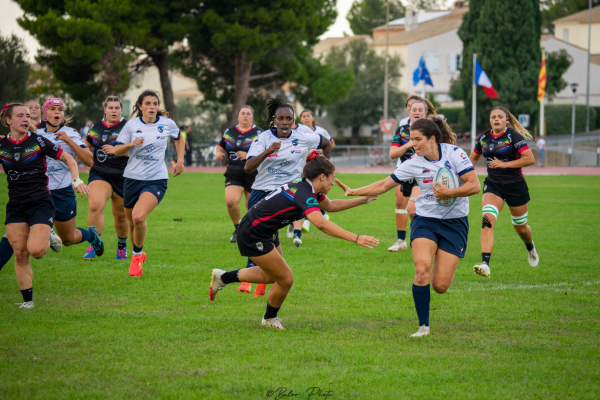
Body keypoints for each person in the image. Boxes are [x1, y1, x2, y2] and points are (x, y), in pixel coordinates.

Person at [336, 116, 480, 337]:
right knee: (422, 269)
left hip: (455, 223)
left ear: (432, 138)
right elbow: (385, 184)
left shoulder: (454, 154)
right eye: (412, 139)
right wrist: (354, 191)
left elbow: (474, 185)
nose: (414, 144)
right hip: (426, 220)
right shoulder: (412, 162)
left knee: (440, 286)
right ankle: (424, 326)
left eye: (418, 139)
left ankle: (445, 265)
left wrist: (449, 193)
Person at [209, 156, 379, 330]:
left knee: (271, 276)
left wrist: (362, 199)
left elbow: (331, 205)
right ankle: (269, 318)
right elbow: (321, 223)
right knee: (285, 279)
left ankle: (223, 277)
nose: (333, 182)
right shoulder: (303, 192)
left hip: (264, 229)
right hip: (253, 232)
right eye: (332, 177)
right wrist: (357, 238)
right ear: (322, 176)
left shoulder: (307, 186)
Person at [237, 97, 332, 297]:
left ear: (293, 120)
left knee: (266, 236)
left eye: (289, 118)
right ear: (274, 120)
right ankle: (252, 278)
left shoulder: (302, 136)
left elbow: (326, 142)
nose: (285, 122)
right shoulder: (263, 139)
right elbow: (248, 166)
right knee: (258, 235)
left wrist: (323, 166)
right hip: (262, 192)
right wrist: (267, 152)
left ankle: (254, 279)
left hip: (287, 194)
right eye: (281, 118)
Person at [0, 103, 89, 308]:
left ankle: (45, 233)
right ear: (8, 120)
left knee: (37, 251)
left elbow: (68, 158)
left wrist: (76, 180)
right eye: (20, 116)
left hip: (40, 202)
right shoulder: (3, 147)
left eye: (28, 116)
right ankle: (27, 302)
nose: (26, 119)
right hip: (15, 206)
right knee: (20, 252)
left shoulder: (38, 140)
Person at [111, 89, 185, 277]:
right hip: (131, 179)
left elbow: (179, 138)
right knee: (133, 223)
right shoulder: (131, 125)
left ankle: (136, 257)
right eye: (148, 104)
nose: (152, 107)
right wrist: (130, 144)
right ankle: (139, 253)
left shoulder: (167, 124)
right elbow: (117, 150)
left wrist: (181, 161)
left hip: (156, 180)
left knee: (138, 217)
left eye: (155, 104)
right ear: (140, 106)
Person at [470, 107, 538, 278]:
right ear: (490, 120)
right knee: (487, 220)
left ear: (507, 120)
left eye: (500, 117)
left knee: (521, 228)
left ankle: (530, 247)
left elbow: (529, 159)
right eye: (493, 117)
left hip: (515, 185)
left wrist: (504, 164)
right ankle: (485, 264)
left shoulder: (513, 136)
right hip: (493, 185)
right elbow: (472, 159)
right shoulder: (483, 138)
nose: (496, 119)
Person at [37, 98, 104, 255]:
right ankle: (47, 232)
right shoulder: (35, 134)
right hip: (40, 191)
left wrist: (68, 141)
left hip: (63, 191)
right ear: (45, 113)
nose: (57, 112)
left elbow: (89, 161)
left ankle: (91, 235)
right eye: (53, 109)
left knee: (67, 239)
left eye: (60, 109)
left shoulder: (71, 133)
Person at [82, 96, 129, 261]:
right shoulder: (96, 126)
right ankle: (94, 243)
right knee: (95, 206)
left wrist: (118, 150)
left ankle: (122, 247)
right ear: (105, 109)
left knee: (121, 216)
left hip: (123, 176)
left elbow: (136, 151)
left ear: (121, 110)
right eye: (111, 108)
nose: (114, 110)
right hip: (99, 172)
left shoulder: (128, 127)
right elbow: (86, 144)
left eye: (117, 108)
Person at [215, 106, 263, 243]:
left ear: (252, 117)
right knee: (230, 202)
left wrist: (249, 155)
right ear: (238, 116)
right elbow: (221, 145)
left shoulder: (259, 133)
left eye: (248, 114)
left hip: (253, 173)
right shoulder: (229, 132)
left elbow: (266, 152)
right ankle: (238, 228)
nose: (245, 116)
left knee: (251, 206)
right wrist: (218, 153)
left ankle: (252, 231)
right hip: (234, 172)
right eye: (243, 113)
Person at [387, 99, 429, 252]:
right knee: (403, 205)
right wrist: (408, 144)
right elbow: (392, 154)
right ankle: (404, 239)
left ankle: (419, 238)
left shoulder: (431, 130)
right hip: (405, 173)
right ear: (409, 112)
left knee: (412, 208)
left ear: (425, 113)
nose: (417, 112)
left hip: (423, 174)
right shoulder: (402, 130)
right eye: (414, 109)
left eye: (420, 110)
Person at [299, 109, 335, 234]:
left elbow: (331, 144)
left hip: (318, 166)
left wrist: (322, 157)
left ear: (313, 118)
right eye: (304, 116)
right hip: (305, 166)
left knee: (311, 191)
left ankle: (309, 219)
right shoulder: (299, 131)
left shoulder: (321, 131)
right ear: (300, 119)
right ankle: (320, 214)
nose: (306, 118)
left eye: (308, 116)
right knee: (307, 191)